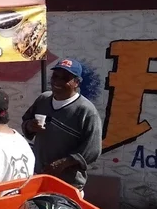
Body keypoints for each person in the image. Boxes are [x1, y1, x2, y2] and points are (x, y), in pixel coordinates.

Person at [22, 58, 102, 192]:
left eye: (65, 78)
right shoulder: (43, 99)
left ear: (76, 82)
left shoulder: (86, 111)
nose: (57, 81)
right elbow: (26, 122)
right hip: (39, 176)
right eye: (55, 76)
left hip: (68, 183)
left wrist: (63, 163)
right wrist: (30, 126)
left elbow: (93, 150)